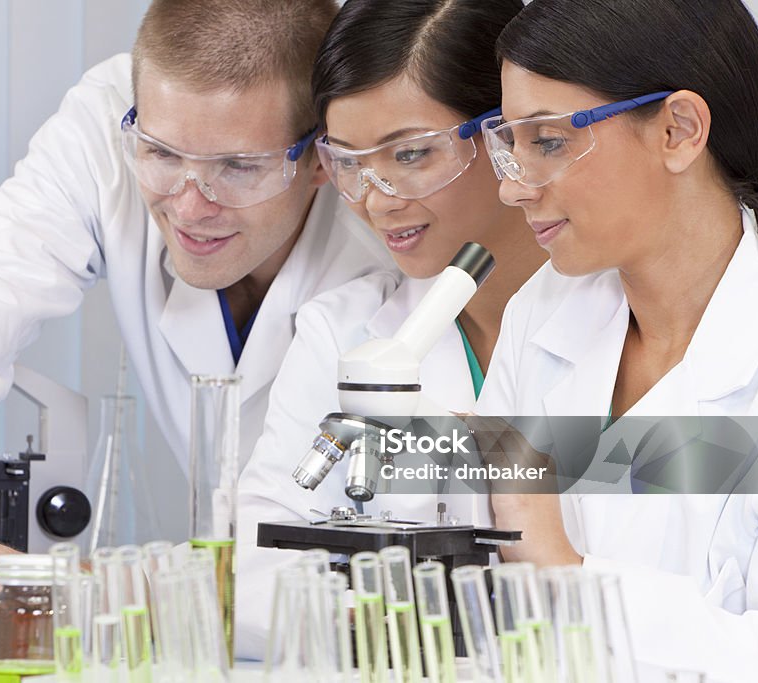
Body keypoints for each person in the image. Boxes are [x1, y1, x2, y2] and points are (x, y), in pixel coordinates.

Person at [0, 0, 395, 561]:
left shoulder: (394, 231)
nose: (189, 206)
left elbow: (317, 547)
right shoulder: (114, 117)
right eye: (159, 153)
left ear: (322, 158)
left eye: (238, 167)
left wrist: (53, 588)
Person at [235, 0, 547, 659]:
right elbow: (255, 566)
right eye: (348, 162)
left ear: (506, 133)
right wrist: (394, 618)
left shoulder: (619, 320)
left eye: (410, 154)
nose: (378, 198)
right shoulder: (341, 331)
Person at [475, 0, 758, 678]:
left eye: (547, 141)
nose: (510, 187)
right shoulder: (543, 312)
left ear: (677, 130)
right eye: (509, 143)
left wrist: (565, 573)